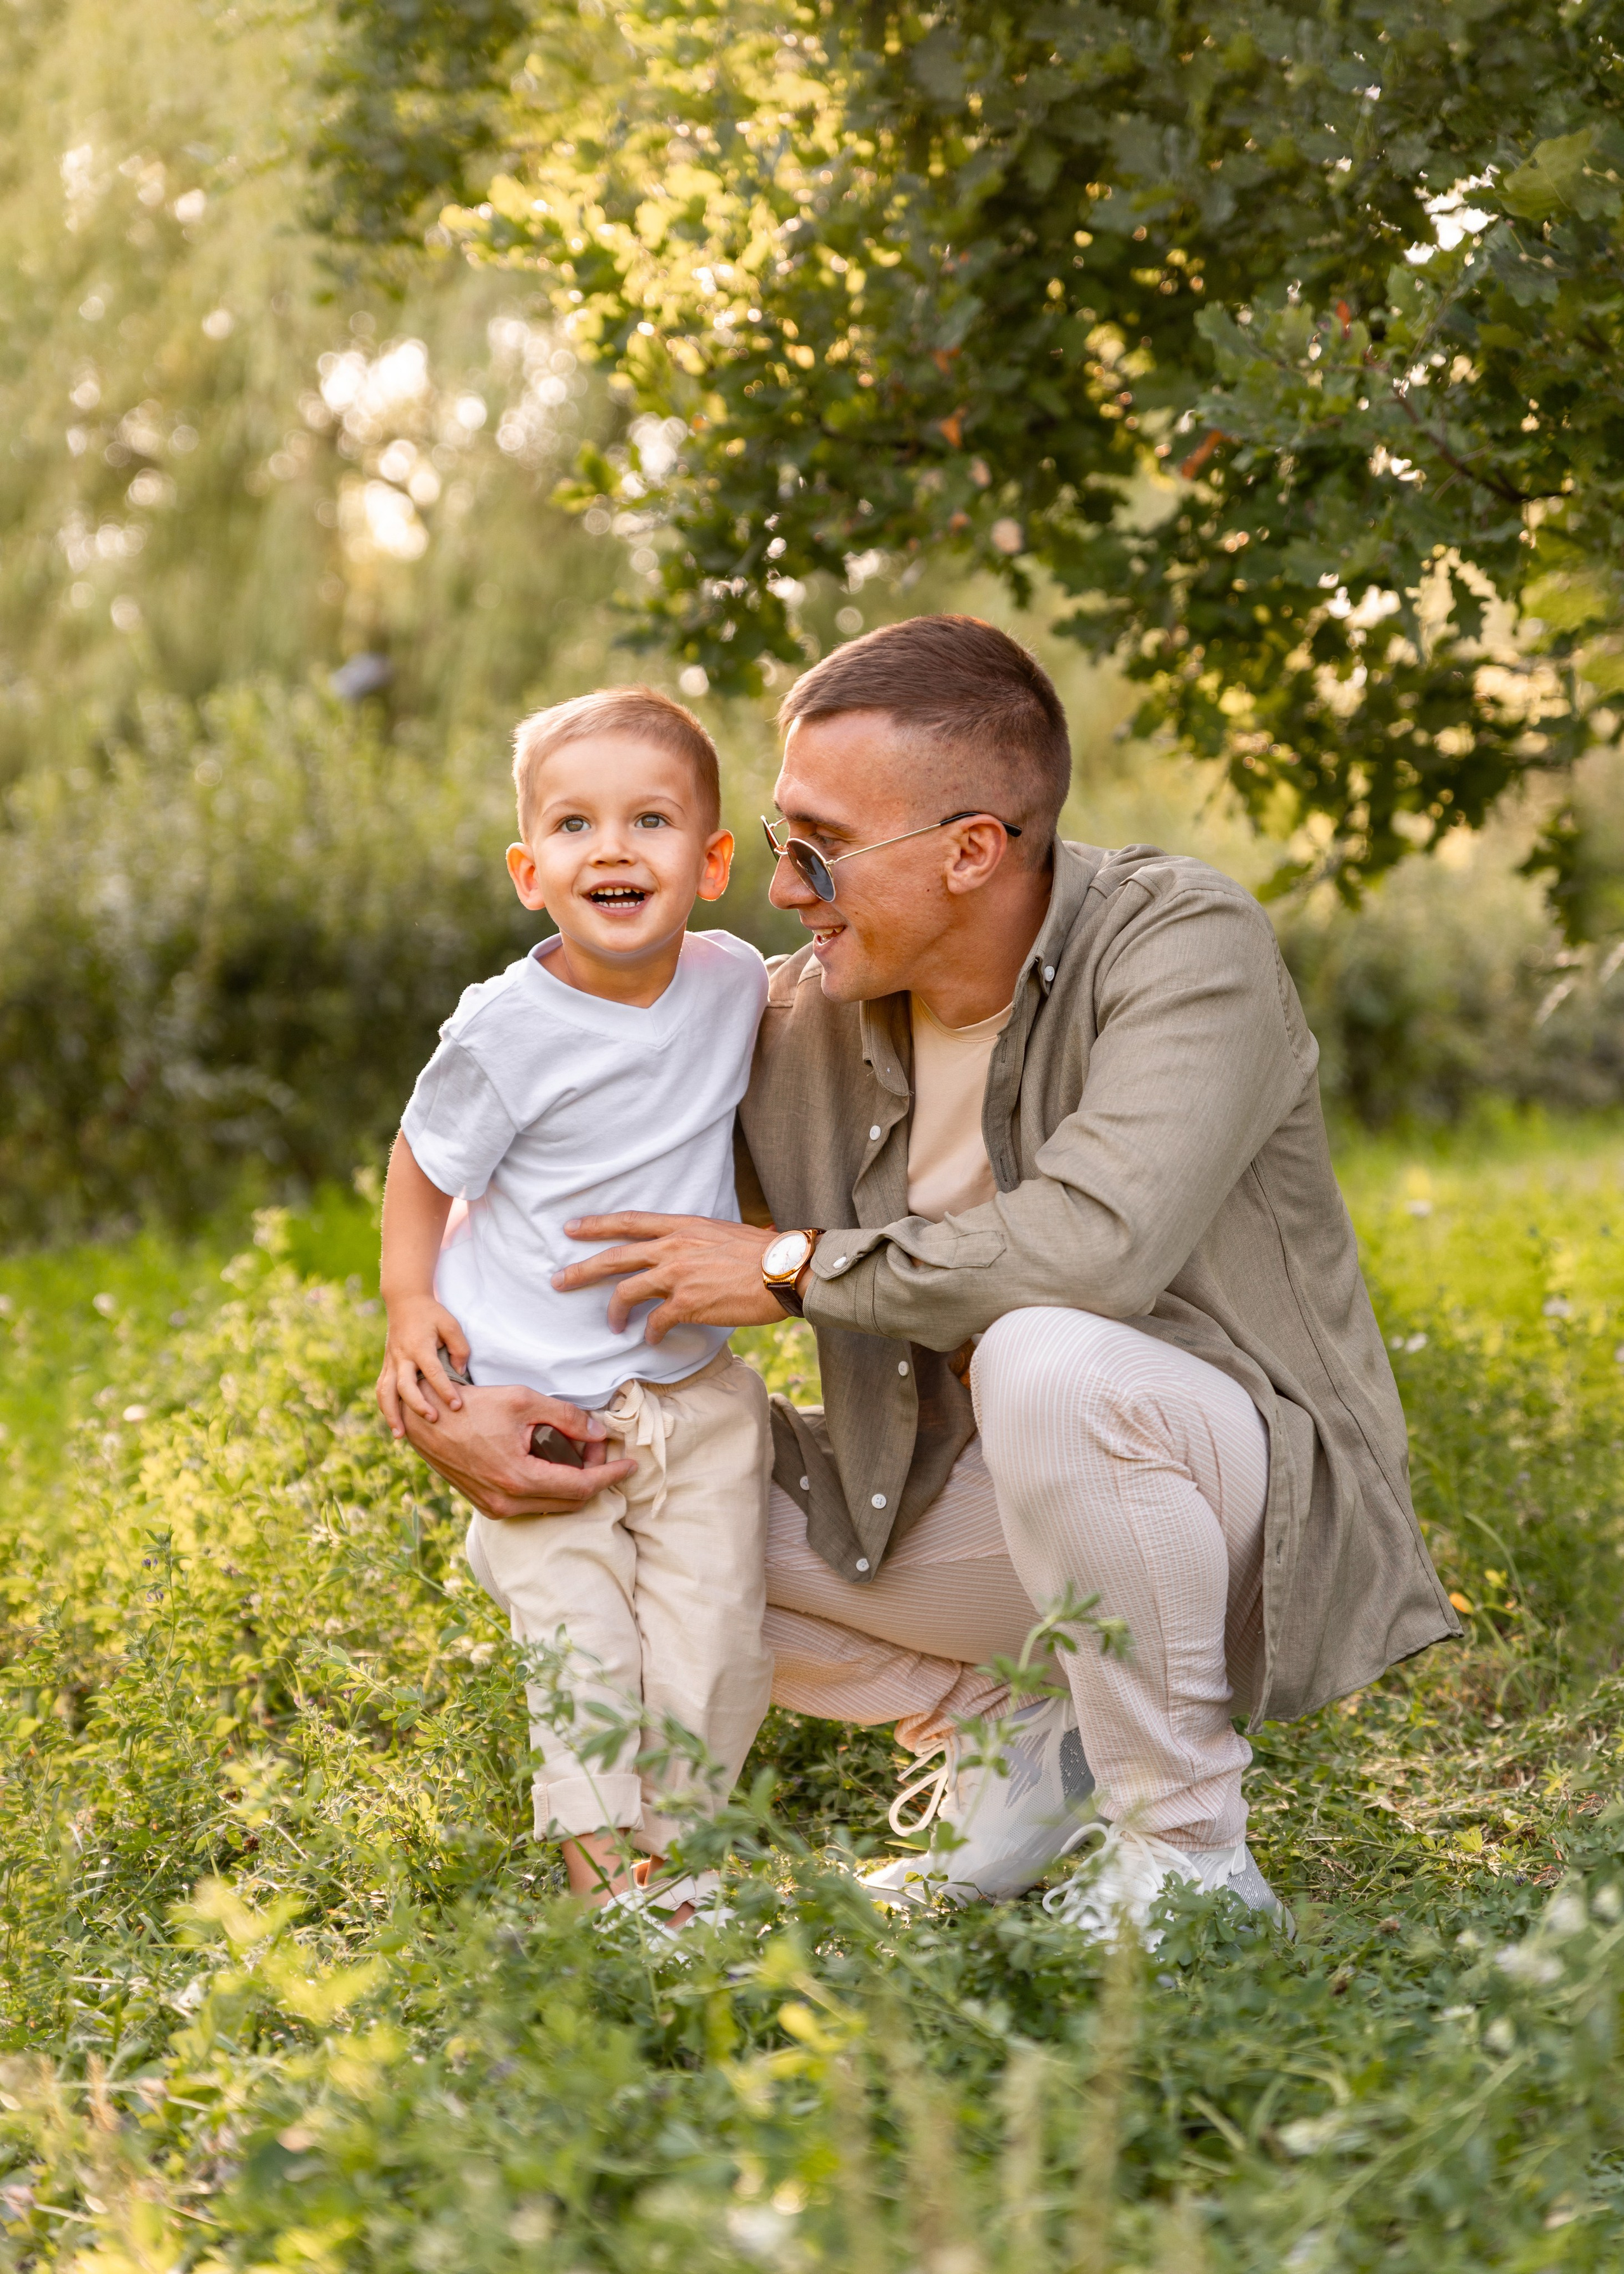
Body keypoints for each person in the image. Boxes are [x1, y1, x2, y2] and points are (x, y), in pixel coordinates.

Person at [400, 617, 1460, 1943]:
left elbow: (1096, 1245)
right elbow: (563, 1206)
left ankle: (1186, 1857)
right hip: (982, 1507)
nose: (782, 888)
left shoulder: (1180, 945)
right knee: (624, 1473)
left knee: (1043, 1357)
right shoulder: (793, 1021)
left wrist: (790, 1267)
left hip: (1222, 1500)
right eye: (781, 839)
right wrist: (454, 1402)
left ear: (970, 850)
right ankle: (1028, 1746)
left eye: (816, 848)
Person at [376, 687, 773, 1928]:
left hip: (692, 1390)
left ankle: (683, 1867)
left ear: (710, 864)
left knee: (713, 1647)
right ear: (527, 869)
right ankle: (607, 1894)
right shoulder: (505, 1031)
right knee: (585, 1652)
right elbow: (420, 1165)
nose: (610, 847)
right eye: (572, 824)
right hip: (535, 1401)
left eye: (649, 820)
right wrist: (404, 1301)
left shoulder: (735, 984)